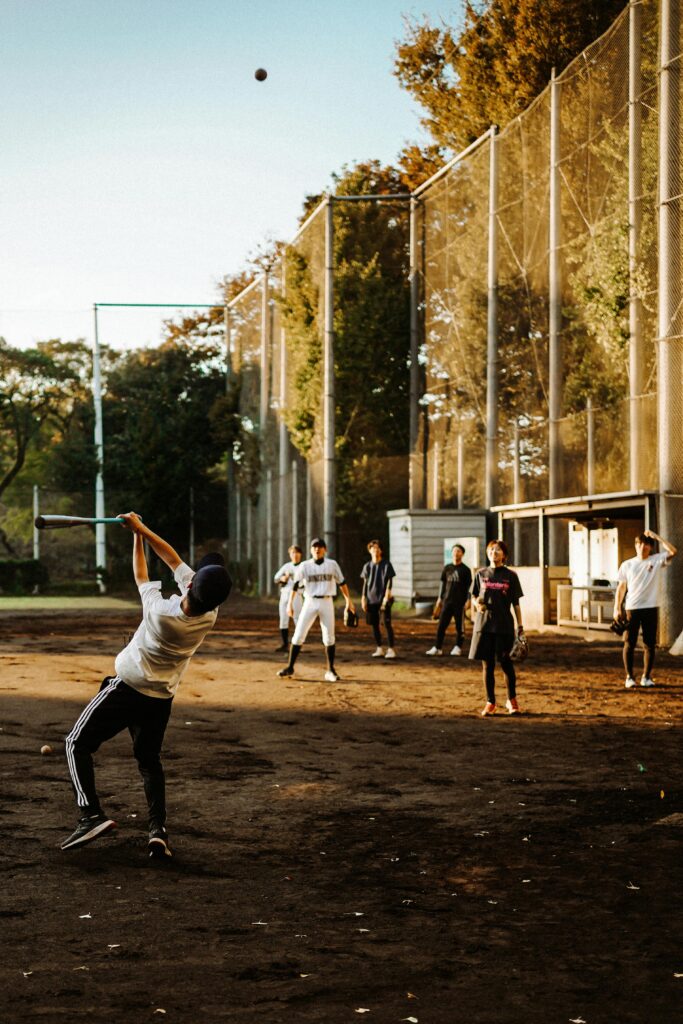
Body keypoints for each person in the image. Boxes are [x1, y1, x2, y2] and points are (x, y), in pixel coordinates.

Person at [61, 514, 232, 856]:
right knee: (149, 761)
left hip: (125, 689)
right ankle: (158, 830)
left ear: (191, 585)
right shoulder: (209, 614)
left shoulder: (160, 611)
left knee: (75, 743)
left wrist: (137, 534)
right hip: (160, 698)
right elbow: (171, 559)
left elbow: (145, 572)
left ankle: (91, 814)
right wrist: (139, 529)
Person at [277, 537, 355, 683]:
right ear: (311, 550)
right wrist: (290, 604)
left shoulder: (332, 564)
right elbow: (295, 585)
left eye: (320, 547)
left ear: (325, 549)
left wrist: (348, 601)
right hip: (310, 601)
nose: (317, 549)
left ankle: (330, 670)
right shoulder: (305, 566)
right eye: (314, 547)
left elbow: (342, 583)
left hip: (327, 601)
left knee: (329, 636)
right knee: (298, 634)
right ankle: (290, 667)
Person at [613, 528, 677, 689]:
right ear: (636, 545)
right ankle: (629, 677)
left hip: (651, 607)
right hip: (632, 608)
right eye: (640, 544)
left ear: (650, 547)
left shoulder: (656, 560)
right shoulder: (627, 564)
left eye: (646, 544)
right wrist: (617, 608)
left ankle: (646, 677)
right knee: (629, 642)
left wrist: (656, 537)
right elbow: (621, 587)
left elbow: (673, 551)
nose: (643, 547)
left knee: (649, 643)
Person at [469, 539, 524, 716]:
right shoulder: (481, 574)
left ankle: (512, 700)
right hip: (484, 625)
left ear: (504, 555)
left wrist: (520, 626)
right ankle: (490, 702)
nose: (494, 552)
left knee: (506, 663)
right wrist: (476, 605)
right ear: (488, 553)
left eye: (498, 550)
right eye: (492, 549)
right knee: (487, 665)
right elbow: (474, 596)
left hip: (504, 625)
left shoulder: (511, 575)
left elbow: (516, 603)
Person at [426, 544, 472, 657]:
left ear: (462, 554)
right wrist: (439, 599)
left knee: (459, 627)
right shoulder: (447, 568)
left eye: (459, 551)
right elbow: (443, 584)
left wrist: (469, 600)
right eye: (454, 551)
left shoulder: (465, 570)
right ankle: (438, 647)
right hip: (447, 601)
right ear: (451, 553)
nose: (456, 553)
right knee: (441, 625)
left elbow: (469, 587)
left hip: (459, 603)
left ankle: (458, 647)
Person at [360, 539, 396, 659]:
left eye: (377, 548)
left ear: (381, 550)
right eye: (373, 548)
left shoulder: (386, 565)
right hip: (371, 599)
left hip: (383, 599)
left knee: (386, 623)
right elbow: (365, 583)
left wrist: (387, 597)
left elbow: (389, 582)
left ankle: (391, 649)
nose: (375, 550)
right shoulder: (367, 566)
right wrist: (363, 598)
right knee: (374, 624)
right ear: (369, 550)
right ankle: (379, 648)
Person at [273, 545, 304, 651]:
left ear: (301, 554)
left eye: (297, 552)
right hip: (285, 594)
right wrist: (283, 578)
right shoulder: (287, 566)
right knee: (283, 619)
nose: (295, 555)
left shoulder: (304, 566)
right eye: (293, 553)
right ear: (290, 555)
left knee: (297, 619)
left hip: (297, 595)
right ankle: (285, 644)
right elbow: (276, 578)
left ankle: (298, 644)